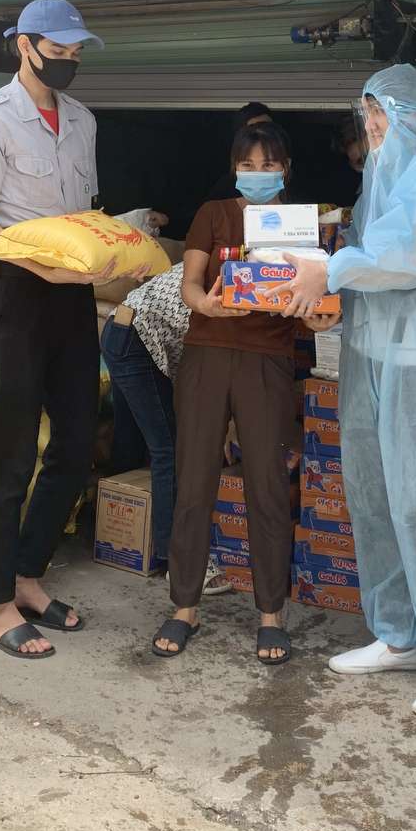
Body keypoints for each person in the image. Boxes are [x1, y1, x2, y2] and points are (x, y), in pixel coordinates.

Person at [282, 66, 416, 720]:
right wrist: (327, 303)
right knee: (373, 498)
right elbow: (367, 266)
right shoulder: (378, 179)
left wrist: (332, 270)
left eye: (381, 113)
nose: (371, 125)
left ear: (411, 117)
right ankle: (399, 635)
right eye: (366, 113)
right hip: (370, 354)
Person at [0, 0, 125, 662]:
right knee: (12, 454)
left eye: (76, 52)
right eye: (58, 50)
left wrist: (109, 252)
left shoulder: (82, 121)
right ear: (24, 45)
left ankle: (27, 575)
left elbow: (85, 211)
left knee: (75, 445)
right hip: (19, 294)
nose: (68, 61)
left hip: (72, 298)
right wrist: (33, 260)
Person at [154, 119, 319, 666]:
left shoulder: (301, 225)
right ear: (235, 169)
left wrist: (319, 316)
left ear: (285, 170)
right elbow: (190, 285)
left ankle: (271, 614)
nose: (258, 174)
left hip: (268, 361)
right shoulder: (214, 214)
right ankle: (185, 607)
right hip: (207, 352)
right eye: (248, 165)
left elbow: (313, 306)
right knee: (194, 479)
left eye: (268, 165)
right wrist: (207, 304)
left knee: (266, 484)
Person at [100, 259, 234, 596]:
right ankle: (179, 562)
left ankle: (119, 536)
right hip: (135, 341)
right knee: (170, 449)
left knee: (134, 444)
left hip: (126, 332)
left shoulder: (223, 265)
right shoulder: (229, 283)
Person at [201, 102, 274, 203]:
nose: (262, 134)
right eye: (247, 165)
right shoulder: (226, 188)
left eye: (269, 129)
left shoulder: (286, 183)